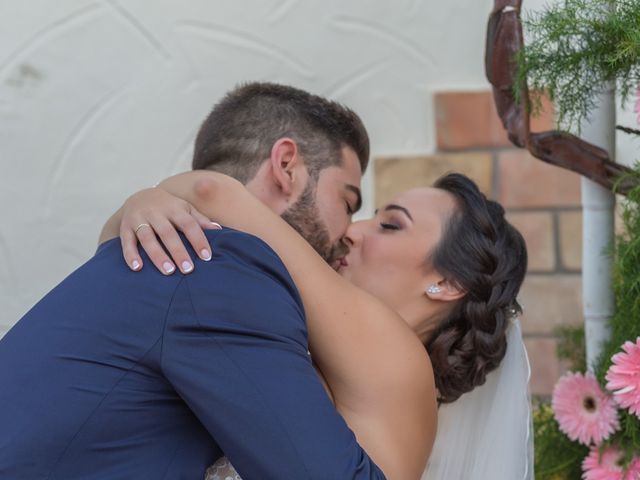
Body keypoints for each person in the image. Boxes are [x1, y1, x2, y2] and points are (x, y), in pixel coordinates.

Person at [0, 83, 417, 479]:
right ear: (287, 165)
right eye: (347, 201)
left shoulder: (163, 257)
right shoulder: (221, 268)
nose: (348, 230)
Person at [109, 166, 532, 479]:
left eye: (390, 224)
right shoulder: (317, 355)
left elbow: (210, 191)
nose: (353, 230)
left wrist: (149, 199)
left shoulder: (396, 365)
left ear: (446, 282)